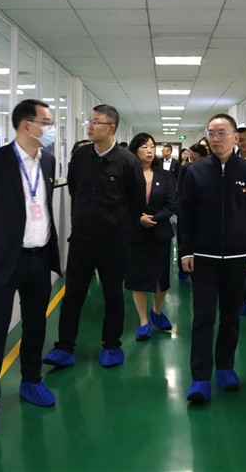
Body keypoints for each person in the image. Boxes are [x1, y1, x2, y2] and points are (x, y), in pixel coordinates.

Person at [0, 98, 62, 437]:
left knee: (36, 325)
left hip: (40, 258)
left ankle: (31, 380)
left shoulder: (48, 161)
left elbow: (42, 206)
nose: (50, 129)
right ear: (26, 125)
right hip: (7, 261)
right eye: (46, 123)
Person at [44, 104, 144, 369]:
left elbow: (136, 203)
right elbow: (74, 189)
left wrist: (117, 224)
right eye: (90, 120)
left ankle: (111, 345)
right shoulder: (81, 156)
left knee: (113, 294)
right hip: (82, 239)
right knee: (73, 294)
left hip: (114, 241)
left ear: (111, 128)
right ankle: (64, 346)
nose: (90, 125)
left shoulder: (127, 161)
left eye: (96, 121)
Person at [178, 113, 246, 403]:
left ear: (235, 137)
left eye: (221, 133)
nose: (215, 138)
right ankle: (200, 377)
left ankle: (226, 367)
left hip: (239, 257)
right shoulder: (196, 171)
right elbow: (186, 214)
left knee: (230, 316)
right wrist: (185, 250)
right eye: (211, 133)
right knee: (203, 317)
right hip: (203, 257)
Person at [125, 133, 177, 341]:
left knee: (160, 277)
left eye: (152, 146)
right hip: (136, 233)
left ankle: (156, 311)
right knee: (137, 278)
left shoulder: (164, 175)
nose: (149, 150)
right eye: (144, 146)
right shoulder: (128, 175)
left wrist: (154, 218)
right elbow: (121, 203)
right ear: (135, 150)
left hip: (159, 232)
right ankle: (143, 321)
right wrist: (139, 218)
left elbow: (171, 204)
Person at [176, 143, 209, 282]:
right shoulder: (185, 168)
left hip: (204, 211)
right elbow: (180, 189)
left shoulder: (209, 169)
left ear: (203, 156)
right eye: (190, 155)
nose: (191, 157)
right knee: (183, 237)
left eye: (194, 155)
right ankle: (183, 268)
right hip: (186, 208)